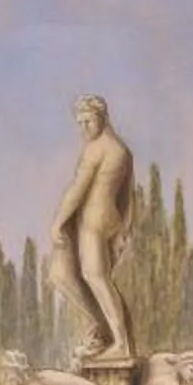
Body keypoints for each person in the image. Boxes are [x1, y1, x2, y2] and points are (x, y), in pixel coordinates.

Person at [48, 95, 137, 365]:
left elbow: (78, 189)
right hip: (106, 219)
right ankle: (104, 329)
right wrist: (123, 227)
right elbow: (128, 196)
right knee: (61, 274)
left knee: (95, 277)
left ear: (102, 117)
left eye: (88, 121)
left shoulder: (98, 149)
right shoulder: (122, 150)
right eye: (80, 123)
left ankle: (121, 343)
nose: (84, 128)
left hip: (93, 221)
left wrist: (58, 222)